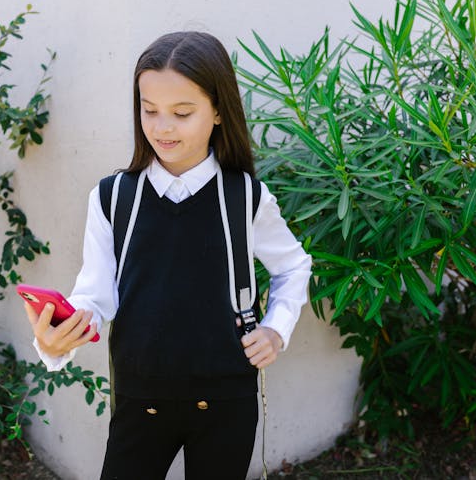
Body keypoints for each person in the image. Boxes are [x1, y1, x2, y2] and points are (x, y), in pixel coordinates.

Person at [25, 31, 312, 480]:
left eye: (182, 113)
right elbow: (96, 298)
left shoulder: (244, 197)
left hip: (226, 401)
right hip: (141, 399)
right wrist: (55, 339)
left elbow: (294, 265)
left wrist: (277, 329)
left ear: (219, 110)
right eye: (148, 110)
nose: (161, 127)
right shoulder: (113, 198)